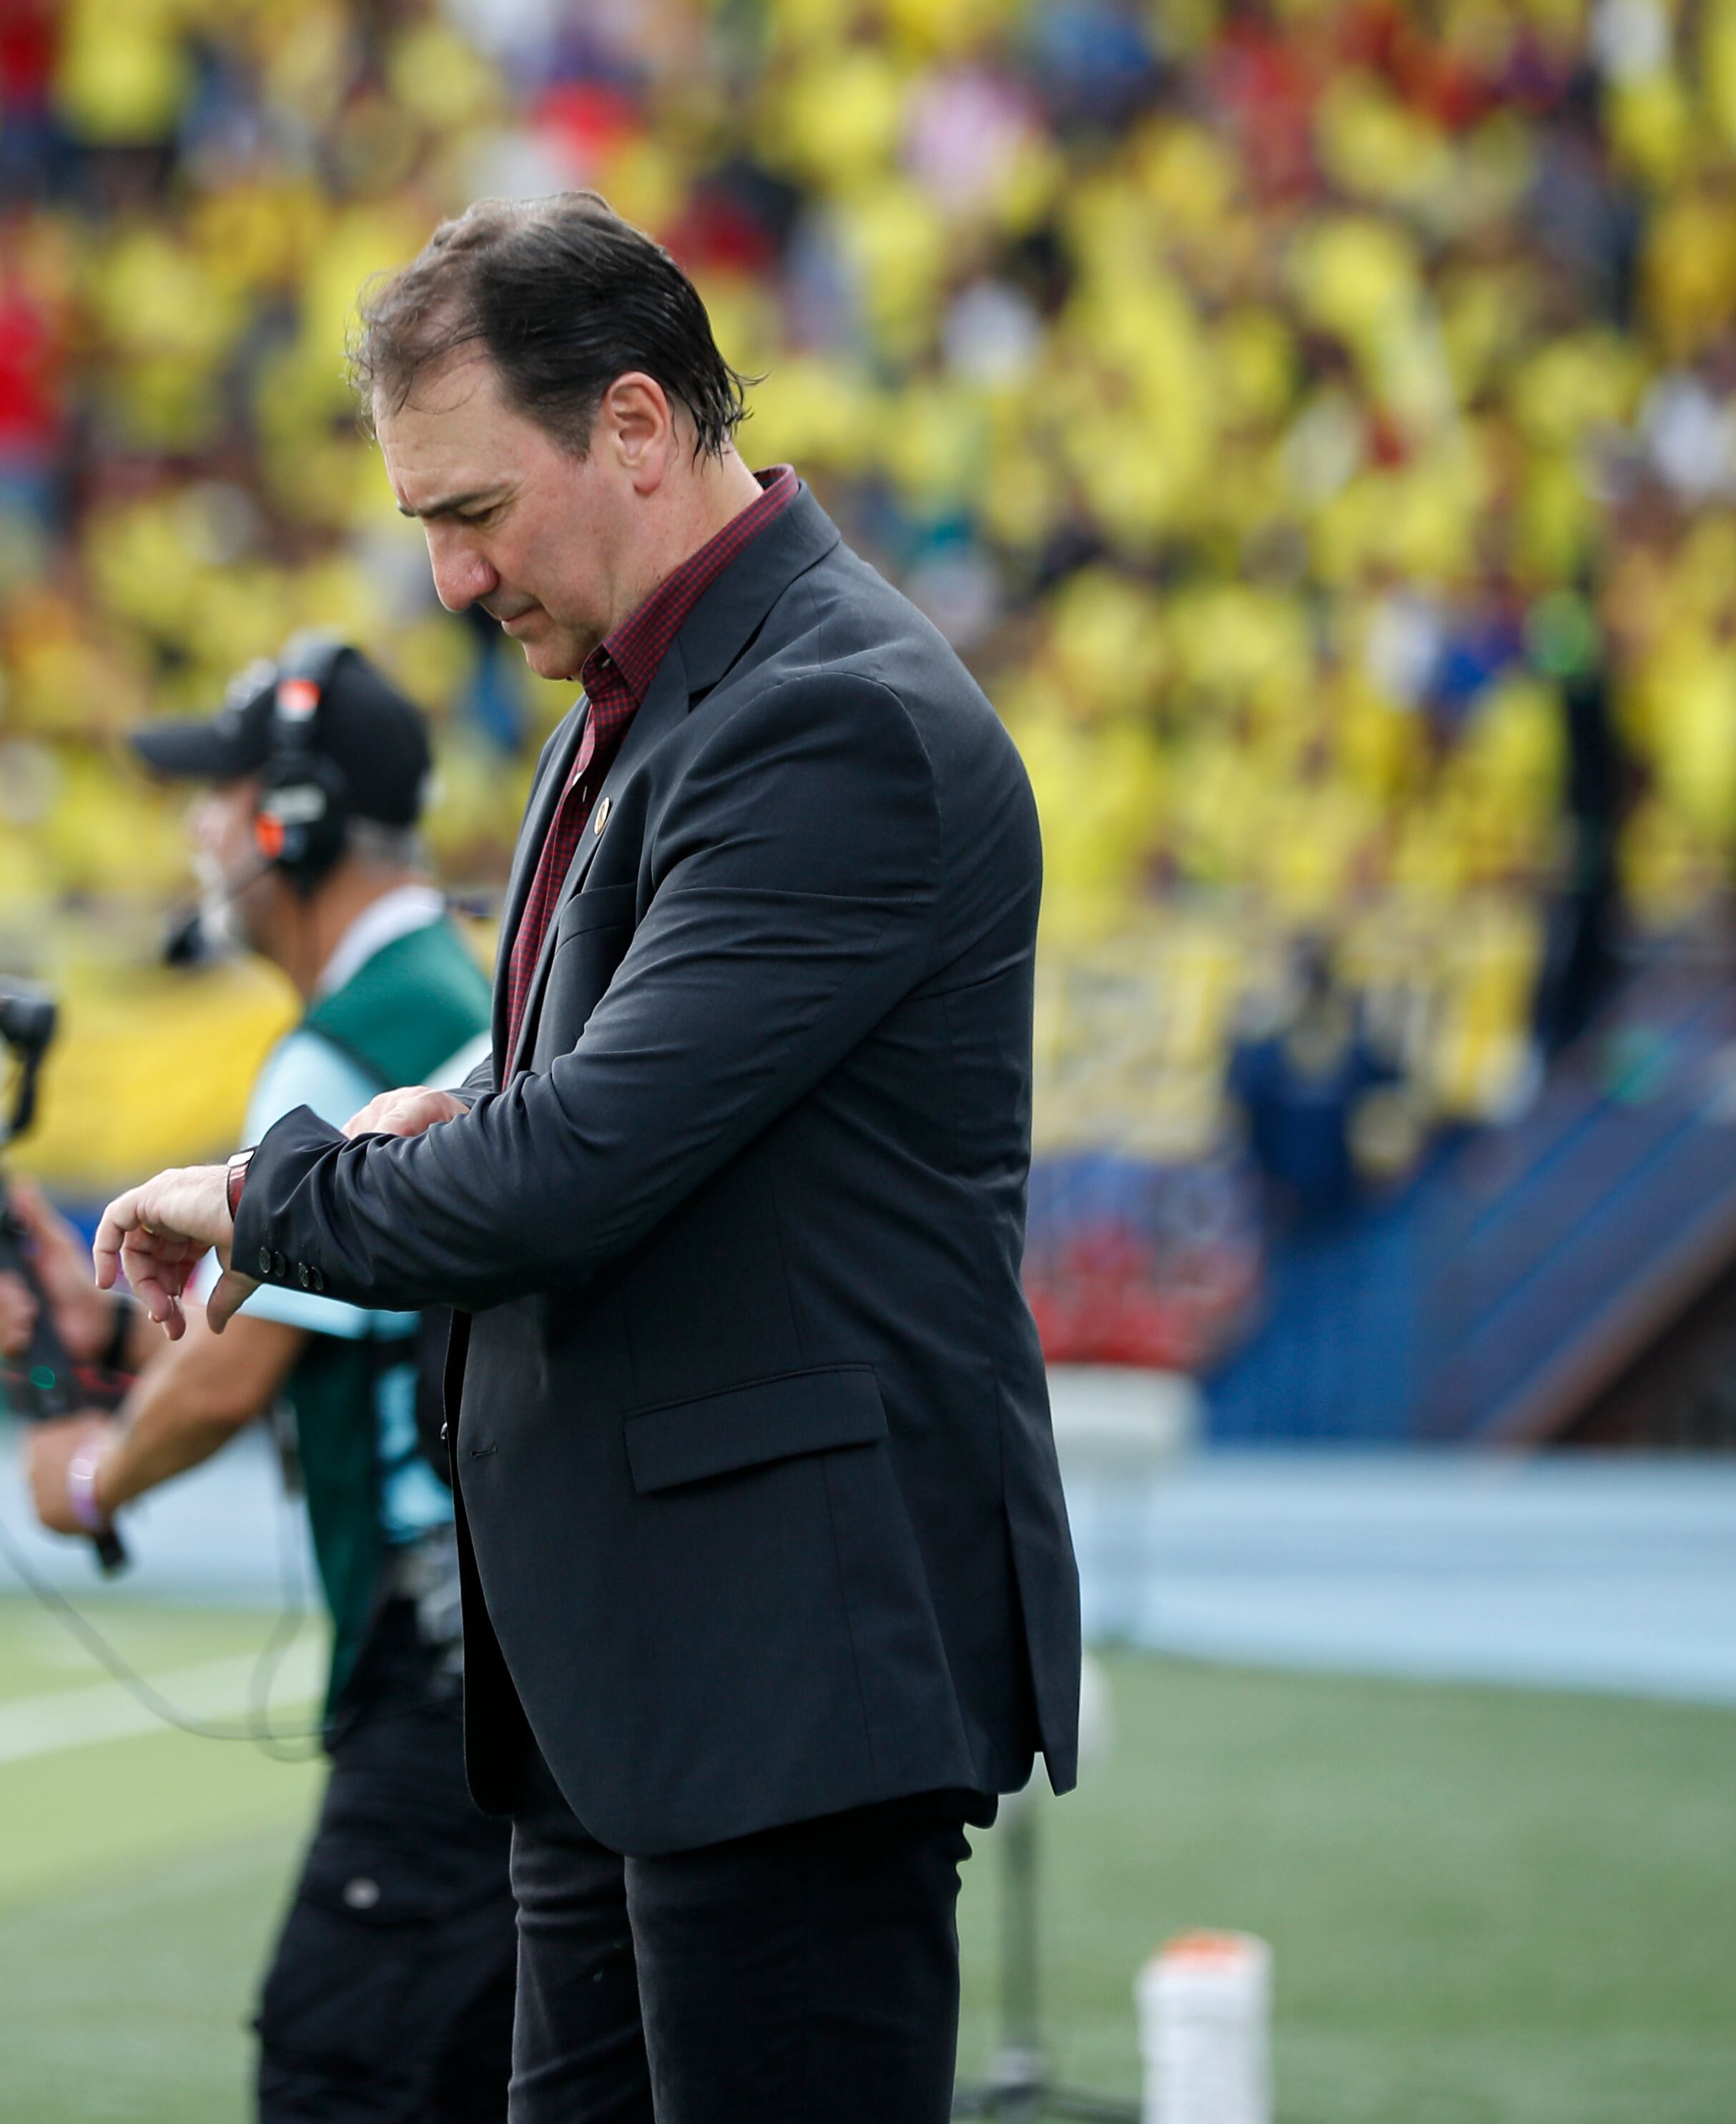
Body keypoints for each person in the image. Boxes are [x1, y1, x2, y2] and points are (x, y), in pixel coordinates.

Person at [89, 195, 1083, 2123]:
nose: (452, 577)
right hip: (626, 1682)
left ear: (635, 425)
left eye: (473, 512)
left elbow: (583, 1171)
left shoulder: (825, 717)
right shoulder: (633, 707)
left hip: (778, 1680)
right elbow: (653, 1124)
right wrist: (460, 1122)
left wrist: (268, 1191)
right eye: (425, 524)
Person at [0, 639, 513, 2123]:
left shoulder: (346, 1040)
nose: (198, 831)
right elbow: (281, 1319)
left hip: (442, 1664)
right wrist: (90, 1338)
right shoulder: (439, 992)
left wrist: (88, 1479)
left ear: (292, 818)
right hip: (511, 1646)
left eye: (218, 794)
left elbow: (228, 1375)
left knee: (341, 2071)